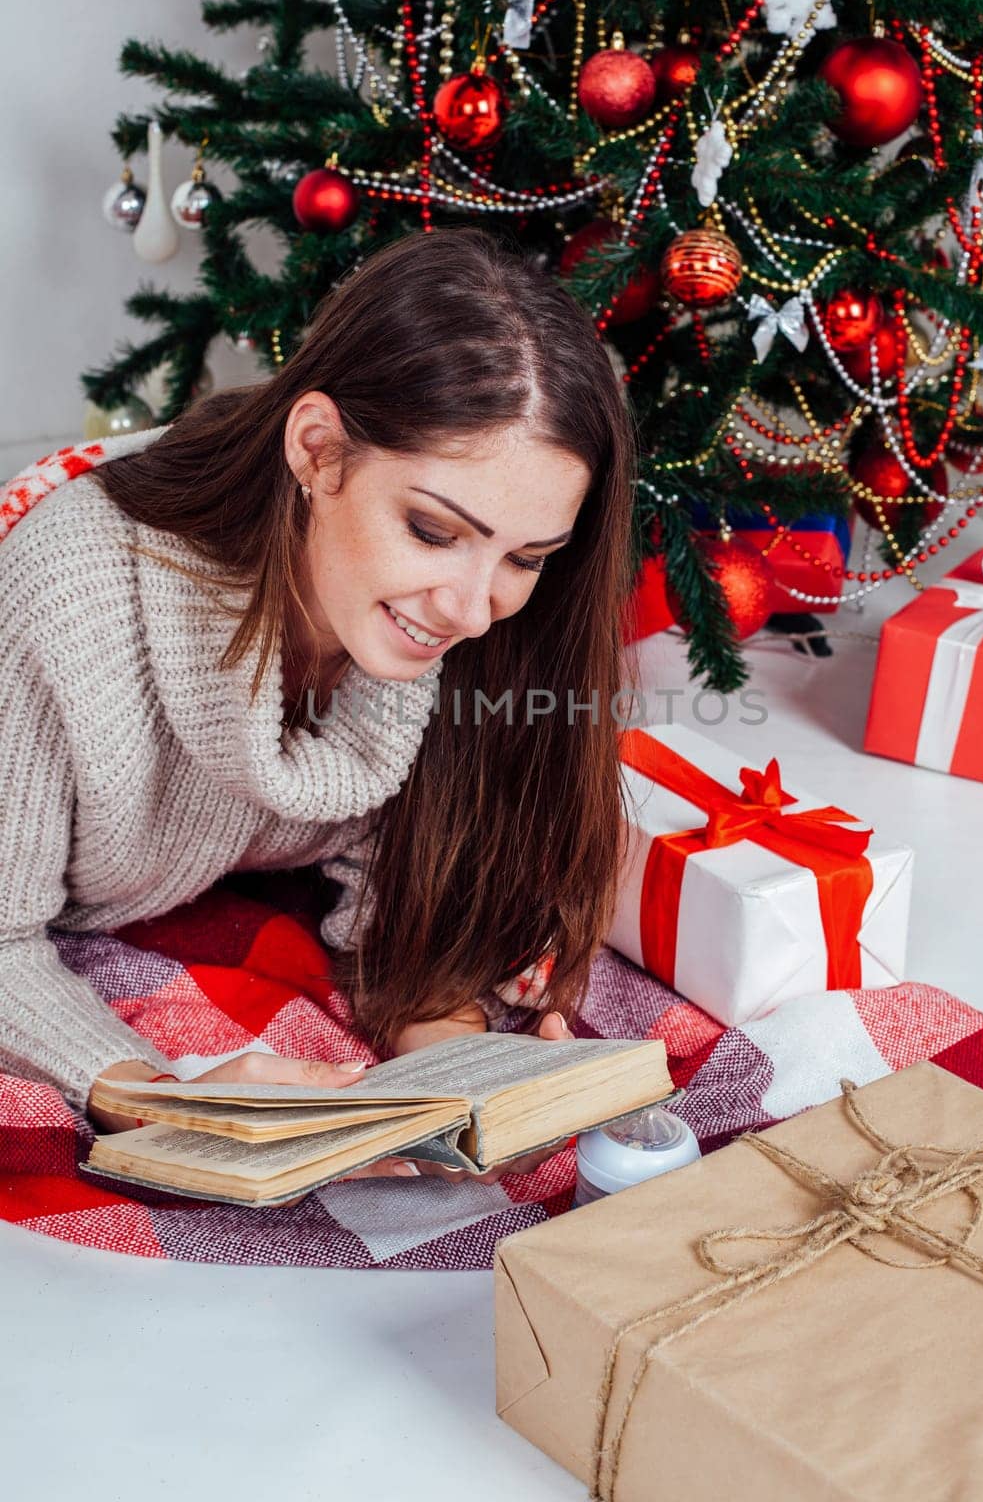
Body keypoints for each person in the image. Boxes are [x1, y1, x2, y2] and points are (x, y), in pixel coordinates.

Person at [0, 226, 639, 1189]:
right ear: (318, 451)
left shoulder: (470, 628)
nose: (471, 610)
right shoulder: (71, 595)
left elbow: (404, 885)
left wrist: (457, 1069)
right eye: (432, 530)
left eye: (525, 559)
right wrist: (162, 1094)